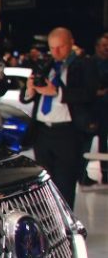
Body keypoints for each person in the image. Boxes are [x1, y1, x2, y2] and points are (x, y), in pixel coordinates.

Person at [21, 27, 101, 208]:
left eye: (60, 47)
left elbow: (89, 93)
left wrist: (58, 92)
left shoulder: (84, 65)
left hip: (67, 132)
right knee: (43, 184)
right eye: (52, 48)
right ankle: (47, 220)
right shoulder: (46, 65)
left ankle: (65, 222)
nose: (56, 52)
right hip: (42, 132)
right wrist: (30, 89)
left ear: (71, 43)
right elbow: (26, 96)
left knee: (65, 183)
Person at [85, 33, 108, 185]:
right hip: (91, 110)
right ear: (97, 47)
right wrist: (94, 92)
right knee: (85, 144)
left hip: (105, 110)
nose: (107, 48)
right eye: (104, 45)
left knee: (104, 145)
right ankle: (82, 175)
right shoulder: (88, 63)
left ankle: (105, 175)